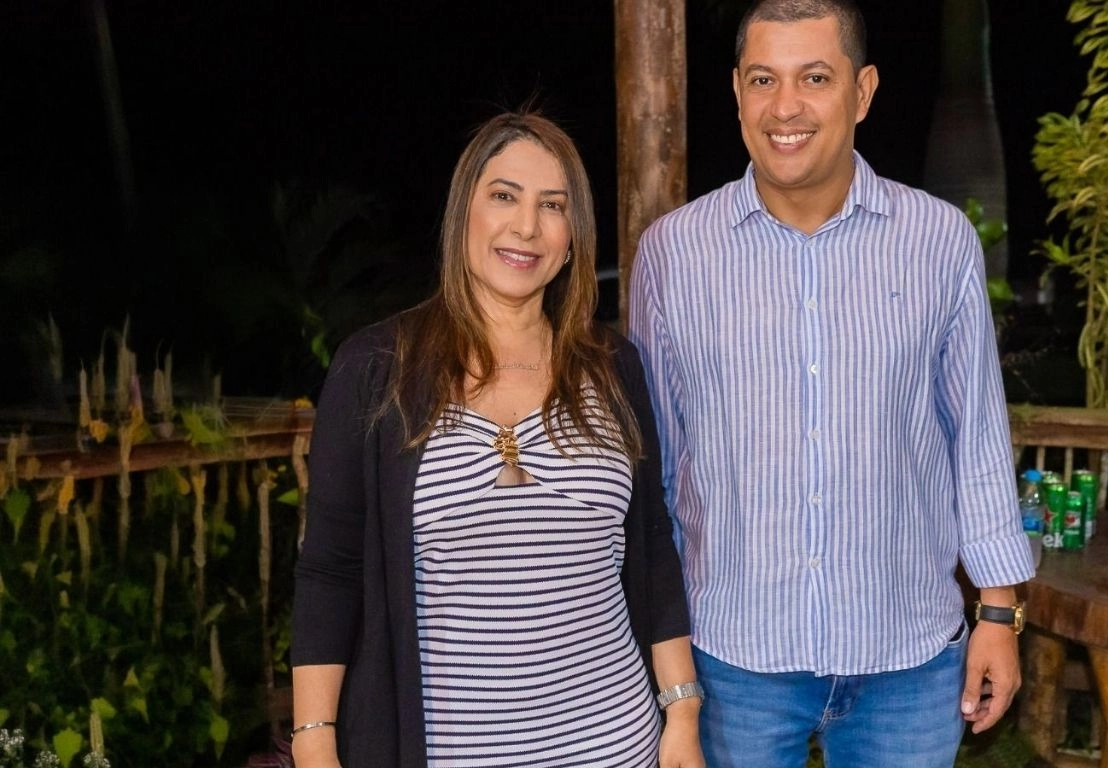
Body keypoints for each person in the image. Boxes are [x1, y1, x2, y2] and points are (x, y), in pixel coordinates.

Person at [627, 1, 1036, 765]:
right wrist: (665, 652)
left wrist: (997, 613)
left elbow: (976, 437)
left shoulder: (938, 241)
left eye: (814, 77)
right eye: (763, 79)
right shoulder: (673, 256)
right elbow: (661, 470)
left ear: (863, 91)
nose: (786, 106)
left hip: (909, 657)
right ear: (738, 93)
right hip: (732, 658)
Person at [291, 112, 705, 768]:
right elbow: (330, 568)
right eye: (505, 196)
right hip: (447, 752)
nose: (526, 226)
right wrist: (314, 739)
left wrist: (681, 711)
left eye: (553, 205)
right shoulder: (377, 368)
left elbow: (651, 545)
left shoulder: (613, 365)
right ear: (464, 214)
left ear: (572, 239)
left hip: (614, 742)